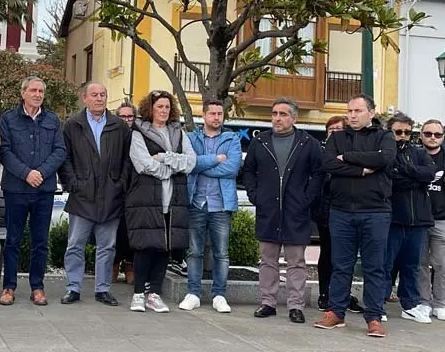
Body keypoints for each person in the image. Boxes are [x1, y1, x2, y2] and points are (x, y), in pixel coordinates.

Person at [313, 94, 396, 338]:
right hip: (341, 211)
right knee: (340, 265)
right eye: (349, 111)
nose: (352, 115)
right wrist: (362, 169)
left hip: (375, 212)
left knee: (374, 267)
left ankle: (373, 316)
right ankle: (336, 312)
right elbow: (328, 164)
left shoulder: (384, 136)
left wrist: (347, 157)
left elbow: (384, 158)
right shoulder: (337, 137)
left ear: (371, 113)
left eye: (358, 111)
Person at [242, 98, 324, 324]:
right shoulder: (260, 141)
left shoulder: (307, 143)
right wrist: (255, 195)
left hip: (296, 212)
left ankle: (295, 306)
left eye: (283, 114)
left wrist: (306, 198)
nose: (277, 118)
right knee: (267, 259)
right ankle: (267, 302)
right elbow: (248, 171)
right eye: (275, 113)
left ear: (294, 118)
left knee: (296, 261)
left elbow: (319, 174)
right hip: (268, 211)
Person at [58, 82, 131, 306]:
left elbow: (128, 159)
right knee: (75, 245)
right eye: (95, 95)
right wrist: (73, 183)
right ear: (85, 99)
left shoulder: (119, 126)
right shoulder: (72, 125)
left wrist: (119, 184)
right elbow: (65, 158)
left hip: (111, 197)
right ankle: (73, 288)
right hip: (82, 197)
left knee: (107, 246)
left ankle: (102, 289)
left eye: (103, 95)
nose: (99, 98)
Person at [0, 76, 66, 306]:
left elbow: (59, 150)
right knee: (13, 239)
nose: (37, 95)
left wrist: (42, 173)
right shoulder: (8, 119)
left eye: (41, 91)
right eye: (33, 90)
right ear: (23, 93)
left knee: (40, 241)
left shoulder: (52, 120)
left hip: (43, 189)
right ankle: (9, 287)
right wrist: (26, 173)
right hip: (16, 188)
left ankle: (38, 287)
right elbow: (4, 151)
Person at [126, 90, 196, 313]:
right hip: (146, 199)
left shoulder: (179, 132)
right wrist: (172, 170)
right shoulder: (139, 132)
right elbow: (142, 164)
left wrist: (166, 158)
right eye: (159, 107)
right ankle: (138, 293)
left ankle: (154, 294)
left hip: (173, 201)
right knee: (144, 246)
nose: (164, 111)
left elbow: (191, 162)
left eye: (167, 107)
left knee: (164, 247)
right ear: (150, 108)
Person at [179, 98, 240, 313]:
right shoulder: (191, 138)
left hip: (221, 205)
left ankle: (219, 295)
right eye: (212, 113)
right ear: (203, 115)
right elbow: (189, 163)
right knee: (194, 251)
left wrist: (202, 165)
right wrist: (216, 159)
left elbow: (232, 168)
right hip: (196, 202)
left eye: (219, 114)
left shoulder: (232, 138)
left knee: (221, 253)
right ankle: (193, 293)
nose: (216, 117)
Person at [383, 112, 436, 324]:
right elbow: (391, 180)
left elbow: (430, 174)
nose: (403, 135)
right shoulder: (386, 154)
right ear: (390, 132)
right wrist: (416, 177)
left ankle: (410, 304)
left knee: (412, 265)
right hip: (393, 218)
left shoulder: (420, 152)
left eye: (407, 131)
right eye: (398, 131)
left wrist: (408, 171)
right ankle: (378, 303)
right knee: (385, 264)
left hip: (419, 220)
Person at [314, 116, 364, 314]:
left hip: (349, 208)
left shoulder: (352, 151)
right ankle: (325, 294)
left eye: (338, 129)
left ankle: (343, 294)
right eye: (330, 129)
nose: (334, 132)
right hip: (326, 210)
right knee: (327, 253)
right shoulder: (321, 151)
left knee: (347, 256)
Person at [419, 119, 445, 321]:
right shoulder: (413, 156)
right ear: (421, 135)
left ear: (443, 137)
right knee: (419, 264)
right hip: (419, 220)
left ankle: (441, 303)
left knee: (443, 265)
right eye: (428, 133)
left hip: (443, 219)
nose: (432, 138)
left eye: (437, 135)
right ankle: (423, 302)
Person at [113, 101, 137, 285]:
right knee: (115, 229)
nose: (127, 120)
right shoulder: (112, 133)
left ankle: (129, 264)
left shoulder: (139, 135)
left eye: (130, 116)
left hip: (136, 188)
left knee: (131, 229)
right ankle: (113, 263)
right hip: (114, 187)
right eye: (123, 116)